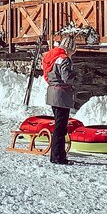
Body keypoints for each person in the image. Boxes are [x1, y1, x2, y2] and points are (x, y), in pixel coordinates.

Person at [41, 35, 77, 165]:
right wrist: (76, 77)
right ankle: (58, 157)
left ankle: (56, 155)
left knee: (58, 125)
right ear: (70, 49)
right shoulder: (64, 59)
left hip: (52, 92)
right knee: (60, 127)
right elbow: (66, 77)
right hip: (61, 95)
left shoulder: (52, 56)